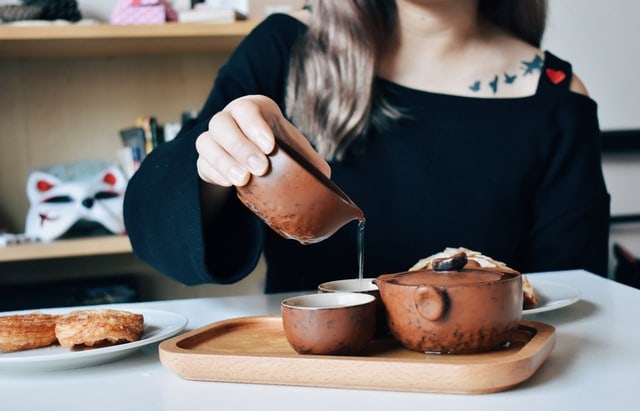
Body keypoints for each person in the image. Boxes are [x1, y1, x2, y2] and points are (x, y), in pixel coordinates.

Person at [123, 0, 610, 293]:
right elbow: (156, 232)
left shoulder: (556, 99)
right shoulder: (286, 49)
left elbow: (571, 295)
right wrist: (216, 169)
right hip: (310, 384)